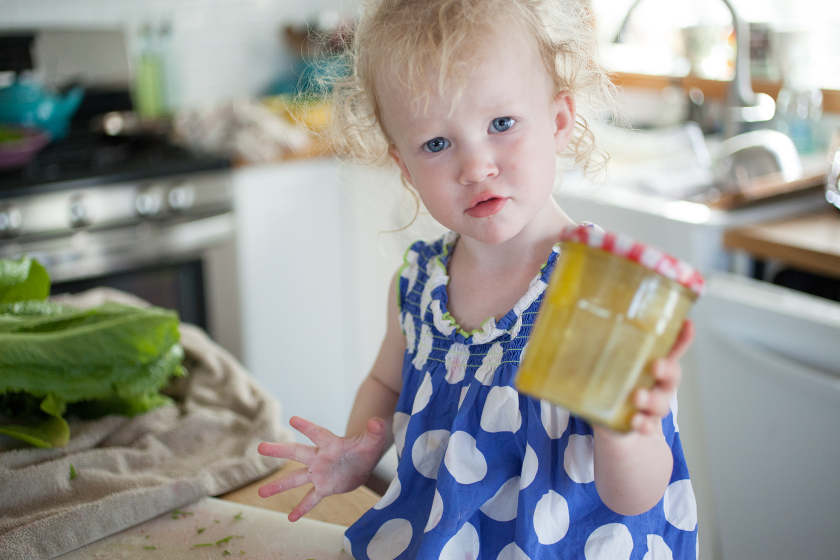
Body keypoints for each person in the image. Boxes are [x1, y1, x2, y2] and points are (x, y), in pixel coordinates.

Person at [258, 0, 699, 558]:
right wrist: (357, 447)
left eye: (501, 124)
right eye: (437, 145)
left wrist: (626, 434)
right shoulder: (417, 283)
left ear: (559, 121)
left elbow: (636, 498)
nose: (475, 166)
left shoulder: (602, 290)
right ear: (404, 166)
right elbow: (386, 384)